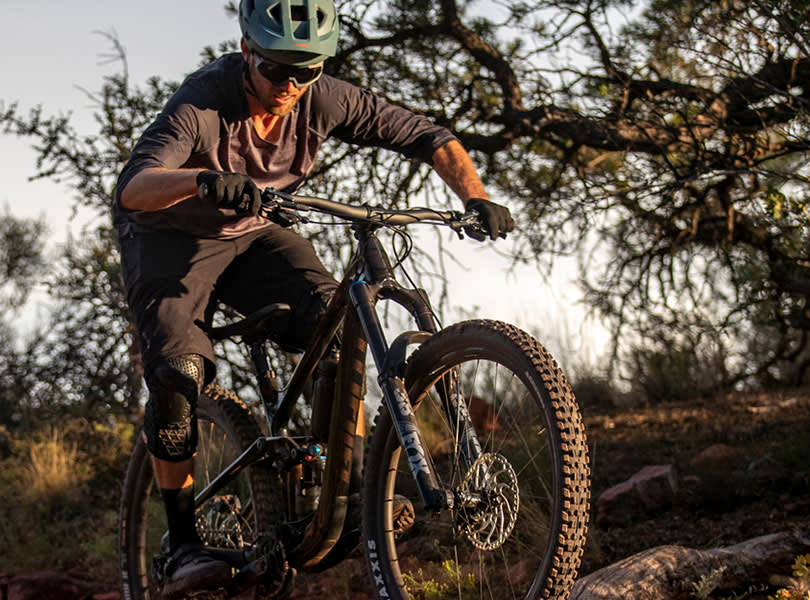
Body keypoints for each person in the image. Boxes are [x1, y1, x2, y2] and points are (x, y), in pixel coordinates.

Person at [113, 0, 514, 592]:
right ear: (248, 52)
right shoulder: (202, 104)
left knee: (338, 326)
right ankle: (181, 544)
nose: (291, 85)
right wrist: (202, 179)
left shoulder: (319, 96)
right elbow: (134, 187)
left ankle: (344, 496)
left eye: (307, 72)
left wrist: (475, 196)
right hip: (171, 236)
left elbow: (427, 135)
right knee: (177, 374)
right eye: (278, 70)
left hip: (253, 235)